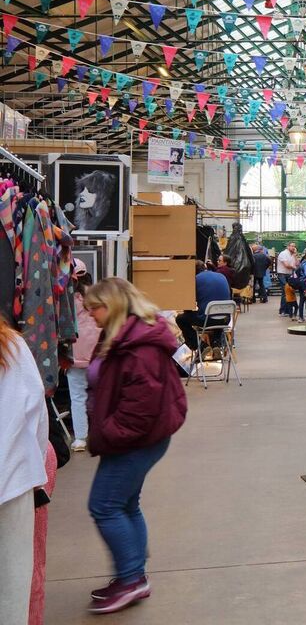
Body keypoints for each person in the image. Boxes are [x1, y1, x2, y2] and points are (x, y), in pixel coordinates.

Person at [82, 278, 188, 615]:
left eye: (93, 308)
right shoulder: (124, 336)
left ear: (111, 305)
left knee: (104, 505)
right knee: (125, 504)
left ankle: (131, 579)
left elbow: (140, 407)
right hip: (135, 438)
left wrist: (109, 433)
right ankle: (132, 574)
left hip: (134, 441)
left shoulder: (139, 346)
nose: (89, 315)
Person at [0, 314, 49, 625]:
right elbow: (38, 418)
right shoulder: (13, 346)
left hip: (15, 479)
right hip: (12, 482)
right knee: (11, 596)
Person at [68, 262, 102, 452]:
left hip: (76, 353)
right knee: (100, 393)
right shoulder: (97, 296)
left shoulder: (69, 299)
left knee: (78, 396)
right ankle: (100, 431)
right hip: (98, 352)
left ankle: (81, 438)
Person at [174, 261, 232, 352]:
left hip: (207, 319)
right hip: (225, 319)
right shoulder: (221, 276)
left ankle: (201, 346)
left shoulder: (195, 280)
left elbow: (188, 305)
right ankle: (216, 343)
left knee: (181, 319)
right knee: (216, 314)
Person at [276, 242, 299, 316]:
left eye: (294, 246)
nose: (293, 248)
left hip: (289, 274)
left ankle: (288, 310)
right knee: (285, 291)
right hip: (282, 274)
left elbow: (297, 264)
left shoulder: (292, 255)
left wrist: (295, 256)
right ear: (288, 246)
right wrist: (294, 267)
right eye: (292, 246)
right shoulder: (283, 254)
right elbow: (286, 265)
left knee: (289, 292)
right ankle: (282, 311)